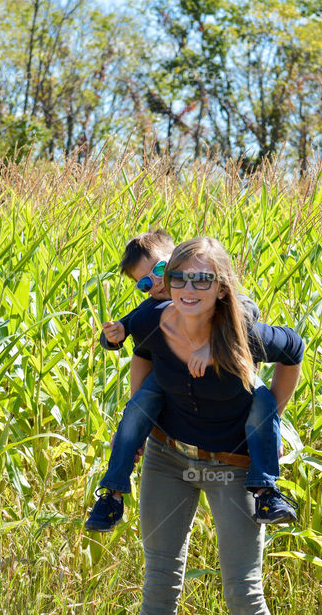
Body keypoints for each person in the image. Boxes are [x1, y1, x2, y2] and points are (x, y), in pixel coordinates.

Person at [124, 236, 304, 614]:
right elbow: (141, 353)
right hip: (167, 458)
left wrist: (272, 419)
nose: (188, 289)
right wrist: (134, 426)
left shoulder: (246, 335)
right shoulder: (155, 321)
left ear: (222, 288)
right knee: (158, 585)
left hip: (233, 465)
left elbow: (294, 350)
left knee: (243, 592)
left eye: (202, 280)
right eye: (179, 279)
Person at [85, 231, 296, 531]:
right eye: (144, 283)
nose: (156, 284)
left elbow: (248, 311)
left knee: (262, 404)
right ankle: (112, 493)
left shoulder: (217, 300)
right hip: (169, 413)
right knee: (138, 408)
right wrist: (112, 338)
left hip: (235, 385)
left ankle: (266, 491)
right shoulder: (150, 312)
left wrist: (215, 345)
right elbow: (134, 342)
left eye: (160, 271)